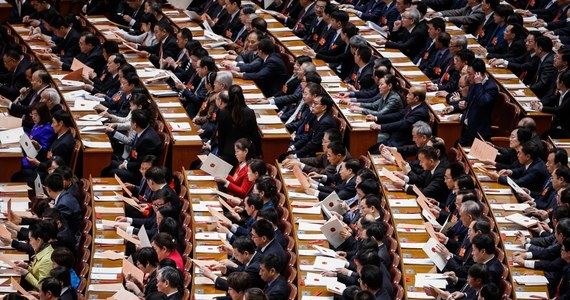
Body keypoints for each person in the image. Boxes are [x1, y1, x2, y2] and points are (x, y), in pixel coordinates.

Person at [101, 109, 162, 184]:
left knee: (108, 171)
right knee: (107, 163)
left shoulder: (148, 140)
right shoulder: (143, 129)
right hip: (131, 162)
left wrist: (125, 165)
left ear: (135, 125)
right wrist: (126, 163)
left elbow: (142, 164)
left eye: (131, 121)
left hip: (139, 174)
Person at [216, 85, 262, 167]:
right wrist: (259, 153)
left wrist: (220, 153)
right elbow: (255, 134)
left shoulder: (223, 112)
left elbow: (221, 136)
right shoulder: (249, 112)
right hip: (245, 153)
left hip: (228, 153)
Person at [13, 222, 55, 289]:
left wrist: (26, 274)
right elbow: (37, 272)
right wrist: (27, 267)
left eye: (30, 240)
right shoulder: (43, 250)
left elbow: (43, 287)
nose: (29, 243)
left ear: (39, 240)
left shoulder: (47, 260)